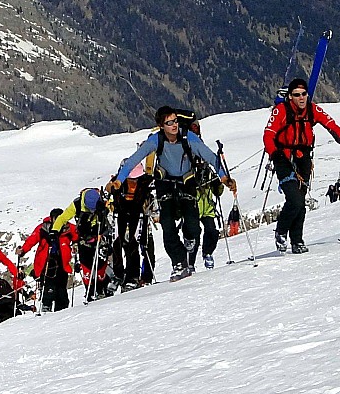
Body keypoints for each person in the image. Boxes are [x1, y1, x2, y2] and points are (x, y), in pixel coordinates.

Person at [106, 106, 236, 281]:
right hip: (165, 183)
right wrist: (119, 180)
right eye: (169, 122)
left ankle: (189, 239)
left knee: (193, 225)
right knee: (167, 225)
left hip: (186, 181)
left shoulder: (188, 137)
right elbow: (133, 161)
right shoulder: (155, 140)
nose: (174, 125)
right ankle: (179, 262)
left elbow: (211, 157)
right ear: (161, 126)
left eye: (175, 121)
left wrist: (224, 177)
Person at [263, 78, 340, 253]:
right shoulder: (281, 110)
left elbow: (330, 124)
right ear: (290, 96)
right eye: (297, 95)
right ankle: (281, 232)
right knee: (295, 199)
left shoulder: (312, 109)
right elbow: (268, 135)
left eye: (304, 94)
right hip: (283, 158)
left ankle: (297, 241)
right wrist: (275, 154)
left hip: (303, 158)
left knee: (300, 201)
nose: (301, 98)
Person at [51, 188, 114, 301]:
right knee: (86, 265)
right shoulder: (76, 205)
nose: (92, 211)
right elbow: (63, 218)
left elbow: (109, 220)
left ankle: (102, 288)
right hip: (84, 238)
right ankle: (90, 291)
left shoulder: (102, 202)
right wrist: (54, 230)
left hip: (99, 235)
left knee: (100, 265)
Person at [17, 208, 78, 312]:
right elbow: (32, 239)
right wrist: (23, 250)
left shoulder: (69, 228)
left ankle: (61, 308)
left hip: (62, 262)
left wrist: (76, 244)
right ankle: (46, 306)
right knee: (49, 285)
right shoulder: (43, 228)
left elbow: (77, 236)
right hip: (46, 262)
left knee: (61, 288)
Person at [111, 161, 153, 291]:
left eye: (135, 179)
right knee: (117, 244)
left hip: (138, 215)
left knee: (135, 244)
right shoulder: (117, 183)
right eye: (130, 180)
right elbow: (110, 193)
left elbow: (152, 197)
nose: (133, 184)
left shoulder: (146, 183)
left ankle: (133, 278)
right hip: (121, 215)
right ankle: (119, 275)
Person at [188, 157, 224, 270]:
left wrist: (218, 184)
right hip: (194, 208)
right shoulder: (189, 171)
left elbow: (218, 192)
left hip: (207, 208)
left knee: (212, 231)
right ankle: (190, 263)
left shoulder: (209, 173)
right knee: (195, 236)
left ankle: (208, 253)